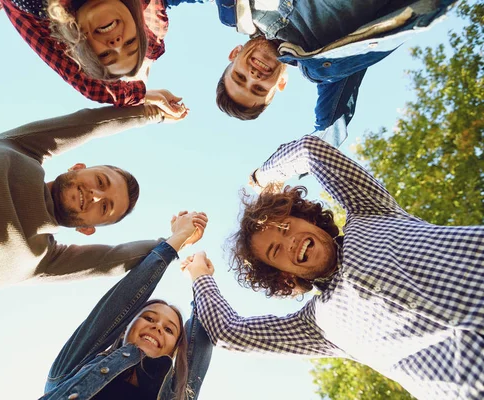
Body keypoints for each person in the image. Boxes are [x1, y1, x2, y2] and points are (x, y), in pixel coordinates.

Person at [184, 135, 484, 399]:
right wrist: (201, 277)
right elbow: (228, 333)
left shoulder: (369, 212)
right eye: (276, 250)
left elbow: (311, 150)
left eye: (286, 227)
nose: (290, 242)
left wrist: (263, 177)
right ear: (283, 275)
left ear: (309, 219)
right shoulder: (318, 326)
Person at [0, 104, 192, 334]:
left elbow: (115, 259)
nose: (96, 196)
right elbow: (86, 124)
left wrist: (174, 241)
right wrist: (150, 111)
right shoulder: (23, 150)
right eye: (100, 181)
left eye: (105, 208)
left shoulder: (44, 259)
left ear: (87, 229)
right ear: (78, 166)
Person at [214, 0, 457, 144]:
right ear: (281, 84)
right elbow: (328, 132)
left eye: (240, 77)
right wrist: (271, 174)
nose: (253, 77)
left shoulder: (237, 10)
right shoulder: (323, 63)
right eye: (258, 89)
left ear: (234, 54)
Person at [40, 211, 212, 400]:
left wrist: (200, 276)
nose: (157, 327)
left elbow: (205, 328)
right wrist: (177, 239)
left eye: (170, 330)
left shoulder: (178, 394)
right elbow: (121, 302)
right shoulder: (73, 370)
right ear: (124, 328)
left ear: (173, 350)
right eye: (148, 318)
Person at [0, 0, 204, 114]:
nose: (116, 44)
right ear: (137, 24)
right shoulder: (140, 12)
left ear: (82, 41)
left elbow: (92, 88)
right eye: (129, 43)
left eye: (106, 54)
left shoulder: (39, 6)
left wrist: (147, 94)